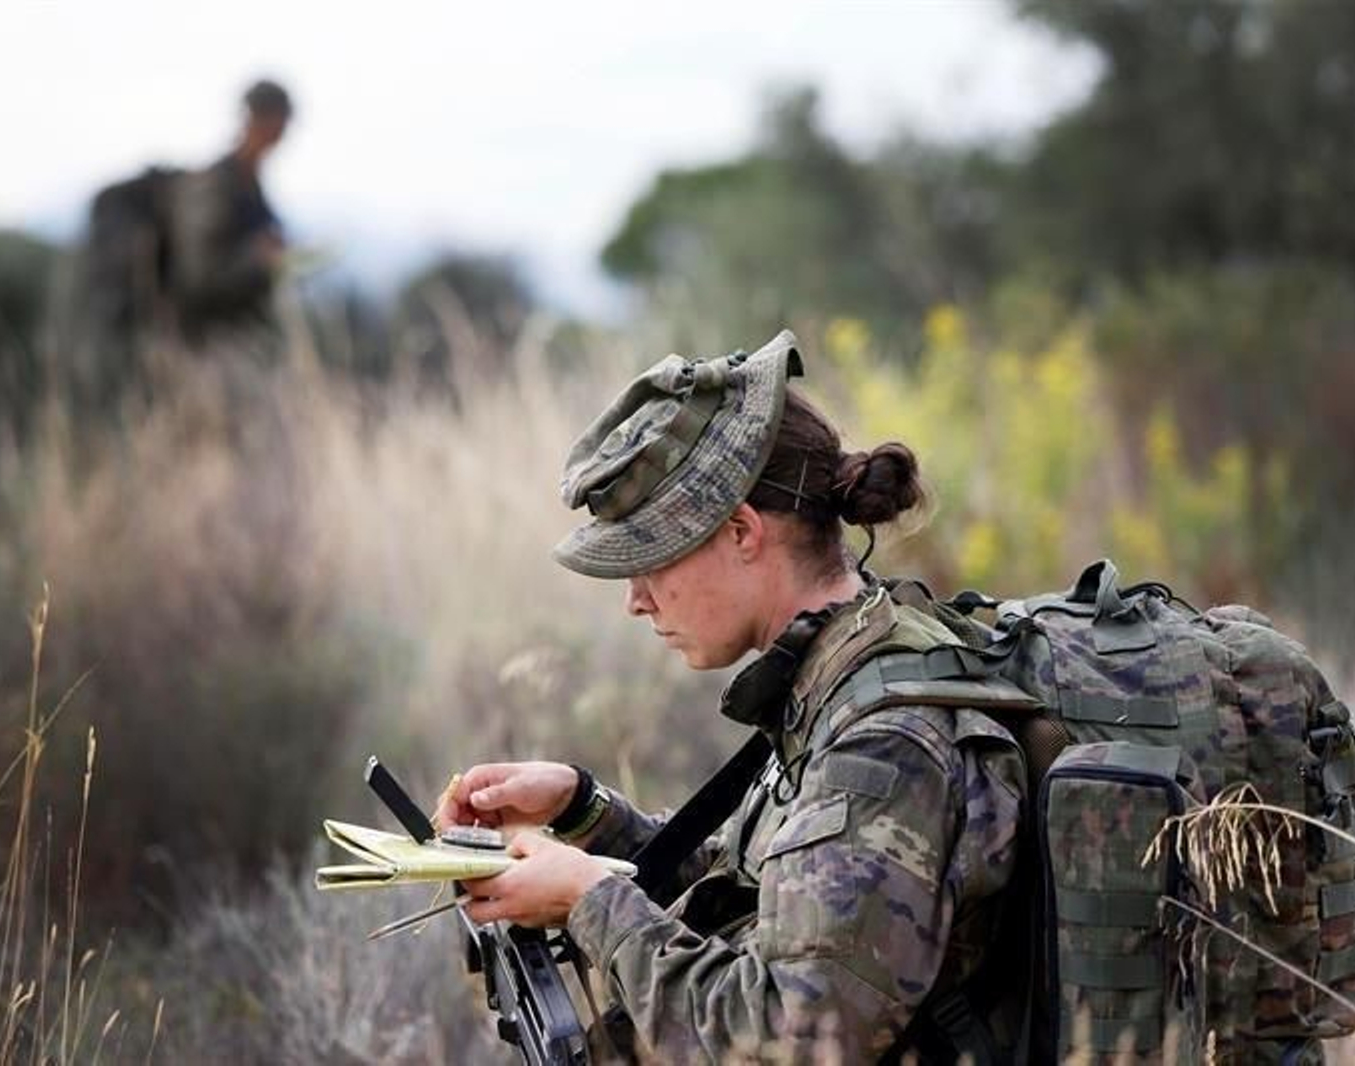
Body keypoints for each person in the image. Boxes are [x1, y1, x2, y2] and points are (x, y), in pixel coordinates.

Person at [433, 330, 1029, 1062]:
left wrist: (590, 902)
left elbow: (790, 1038)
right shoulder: (840, 664)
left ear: (742, 531)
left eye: (650, 561)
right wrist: (585, 812)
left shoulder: (883, 742)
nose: (637, 601)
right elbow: (762, 895)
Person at [168, 78, 293, 344]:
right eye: (278, 124)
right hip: (203, 344)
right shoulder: (214, 186)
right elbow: (197, 279)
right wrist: (256, 259)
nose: (281, 136)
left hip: (241, 336)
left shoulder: (252, 186)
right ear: (256, 120)